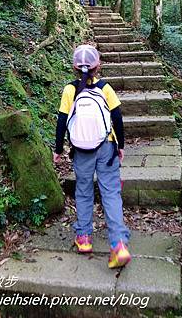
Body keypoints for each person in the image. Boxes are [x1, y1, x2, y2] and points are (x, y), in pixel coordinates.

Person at [53, 44, 131, 269]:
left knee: (84, 191)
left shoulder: (70, 90)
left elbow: (61, 122)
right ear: (98, 67)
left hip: (81, 150)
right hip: (106, 148)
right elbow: (117, 118)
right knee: (111, 194)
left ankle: (84, 238)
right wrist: (121, 146)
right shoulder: (105, 88)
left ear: (74, 68)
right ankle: (119, 246)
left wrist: (58, 150)